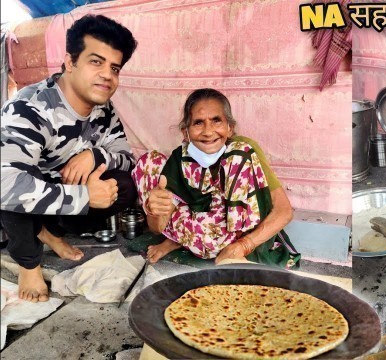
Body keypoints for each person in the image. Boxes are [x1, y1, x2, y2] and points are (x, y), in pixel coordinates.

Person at [0, 14, 138, 302]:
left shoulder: (103, 108)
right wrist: (84, 197)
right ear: (70, 62)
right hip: (27, 201)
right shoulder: (29, 107)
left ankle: (48, 231)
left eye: (114, 67)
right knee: (13, 182)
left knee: (123, 185)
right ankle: (29, 262)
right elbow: (5, 184)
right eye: (95, 62)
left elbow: (126, 156)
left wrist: (95, 155)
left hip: (62, 197)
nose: (107, 75)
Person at [132, 88, 301, 269]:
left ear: (230, 128)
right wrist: (154, 209)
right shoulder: (181, 157)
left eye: (216, 121)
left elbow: (284, 211)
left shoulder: (243, 152)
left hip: (231, 234)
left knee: (238, 154)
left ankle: (228, 249)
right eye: (198, 123)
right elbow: (156, 227)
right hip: (196, 229)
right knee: (150, 161)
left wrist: (243, 246)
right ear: (185, 132)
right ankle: (177, 240)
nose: (208, 131)